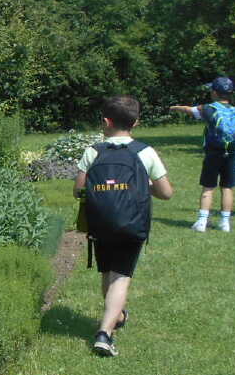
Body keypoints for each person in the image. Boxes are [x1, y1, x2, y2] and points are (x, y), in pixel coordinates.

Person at [74, 95, 173, 357]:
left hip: (99, 223)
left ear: (106, 122)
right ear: (136, 122)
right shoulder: (144, 151)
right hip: (132, 224)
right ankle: (105, 334)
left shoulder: (93, 151)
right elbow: (166, 193)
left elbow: (78, 190)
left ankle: (116, 317)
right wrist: (144, 186)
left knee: (107, 273)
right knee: (120, 277)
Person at [169, 76, 235, 232]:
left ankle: (202, 221)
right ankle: (225, 223)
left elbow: (189, 110)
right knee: (227, 188)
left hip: (213, 153)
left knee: (208, 187)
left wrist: (175, 107)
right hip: (232, 154)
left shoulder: (208, 109)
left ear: (215, 93)